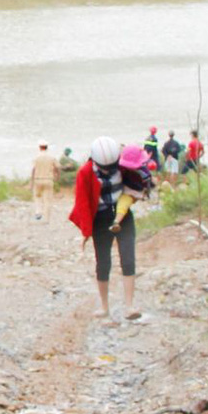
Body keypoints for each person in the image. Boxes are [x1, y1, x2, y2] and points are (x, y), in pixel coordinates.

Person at [69, 136, 142, 322]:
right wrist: (85, 232)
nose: (109, 170)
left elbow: (138, 175)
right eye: (105, 167)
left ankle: (129, 306)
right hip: (100, 220)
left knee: (128, 258)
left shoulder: (122, 164)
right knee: (103, 263)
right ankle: (104, 306)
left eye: (112, 166)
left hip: (122, 216)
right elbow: (83, 202)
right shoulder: (85, 173)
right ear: (94, 160)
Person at [29, 140, 59, 220]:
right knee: (47, 199)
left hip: (38, 179)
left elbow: (33, 169)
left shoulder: (36, 157)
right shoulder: (51, 157)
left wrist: (31, 181)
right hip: (48, 180)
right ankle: (47, 217)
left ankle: (38, 212)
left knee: (37, 196)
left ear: (39, 147)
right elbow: (57, 167)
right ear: (47, 147)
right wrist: (56, 176)